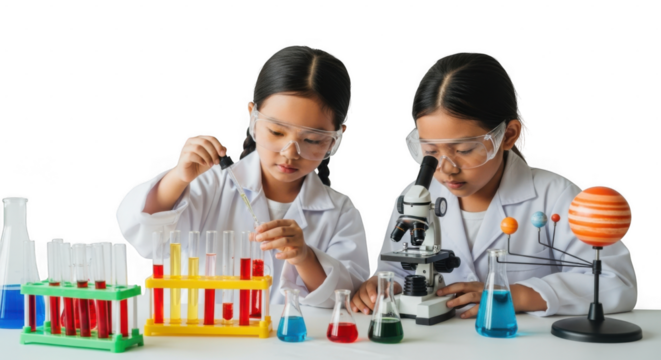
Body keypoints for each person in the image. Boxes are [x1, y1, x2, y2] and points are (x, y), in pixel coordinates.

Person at [351, 52, 637, 318]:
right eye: (431, 151)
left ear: (508, 135)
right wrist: (380, 287)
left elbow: (616, 282)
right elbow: (397, 269)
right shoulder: (413, 198)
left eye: (463, 149)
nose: (447, 168)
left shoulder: (555, 195)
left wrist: (517, 295)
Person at [116, 45, 370, 308]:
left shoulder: (341, 212)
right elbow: (142, 235)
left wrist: (304, 256)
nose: (290, 153)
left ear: (336, 136)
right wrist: (179, 177)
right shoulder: (209, 185)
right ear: (253, 116)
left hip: (290, 348)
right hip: (197, 342)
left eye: (312, 139)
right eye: (276, 132)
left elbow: (347, 299)